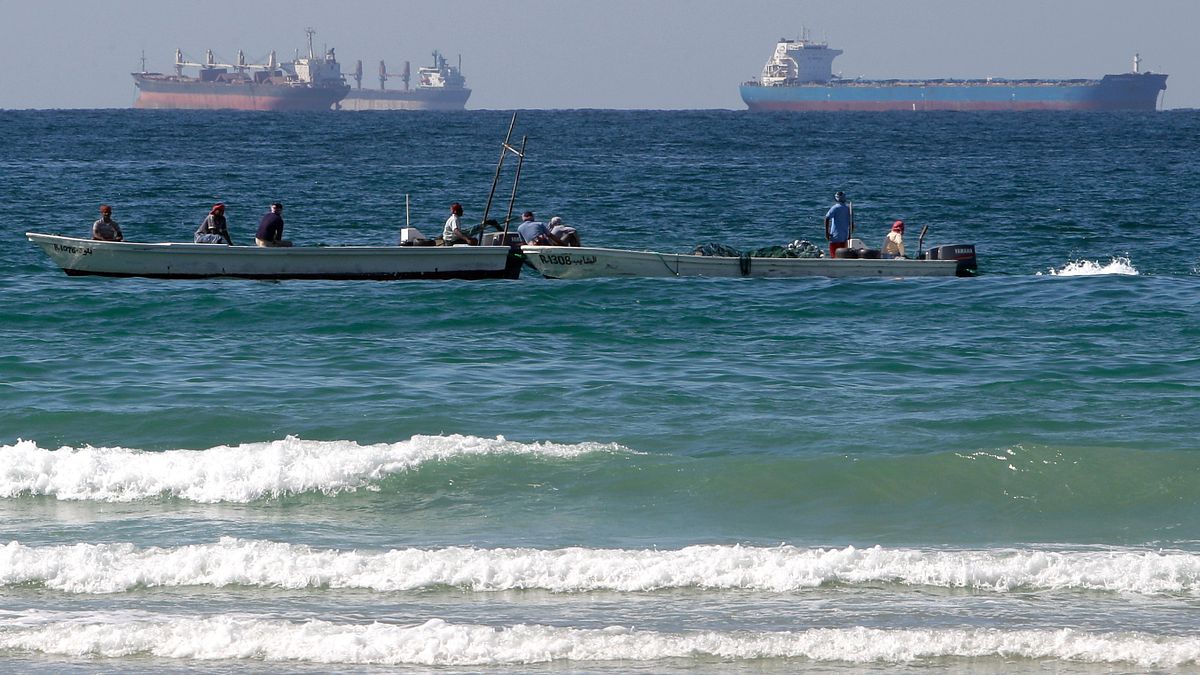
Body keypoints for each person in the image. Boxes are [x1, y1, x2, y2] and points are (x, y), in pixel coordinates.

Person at [824, 191, 853, 258]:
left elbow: (827, 218)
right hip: (844, 237)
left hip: (835, 237)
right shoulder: (848, 208)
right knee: (842, 256)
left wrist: (827, 233)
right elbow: (851, 223)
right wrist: (849, 234)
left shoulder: (835, 208)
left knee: (834, 255)